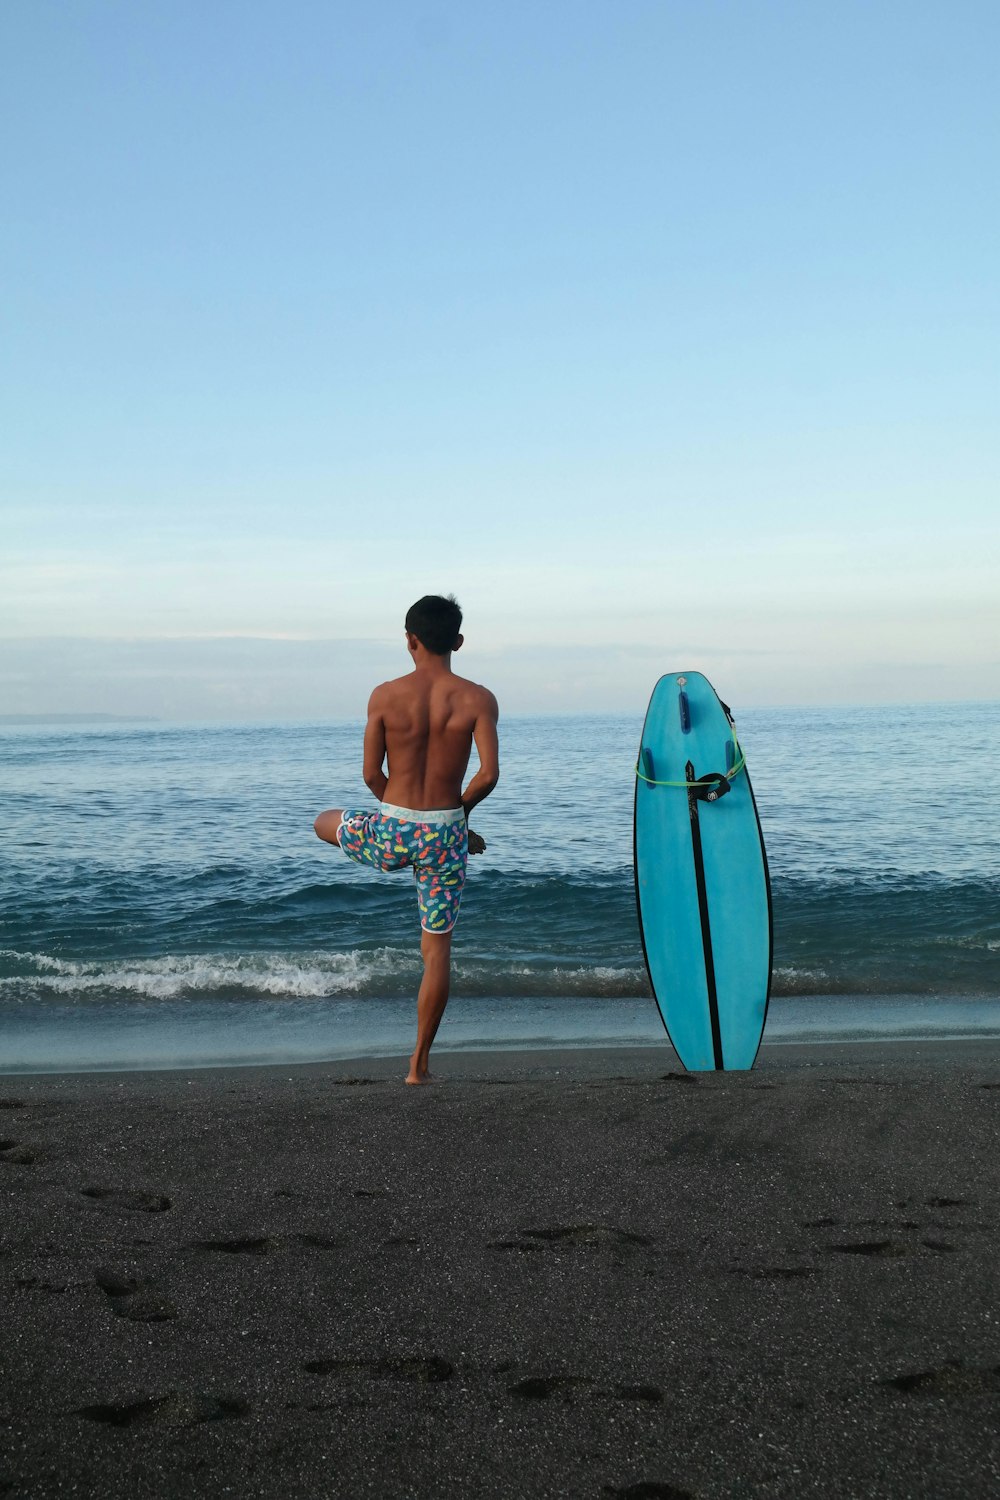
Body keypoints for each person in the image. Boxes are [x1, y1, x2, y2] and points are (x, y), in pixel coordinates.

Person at [313, 595, 500, 1085]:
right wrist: (459, 819)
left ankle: (379, 845)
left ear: (409, 641)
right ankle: (417, 1067)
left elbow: (371, 773)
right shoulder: (478, 699)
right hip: (444, 836)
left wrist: (394, 812)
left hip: (391, 832)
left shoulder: (384, 695)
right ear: (457, 642)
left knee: (323, 821)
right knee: (436, 953)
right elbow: (488, 775)